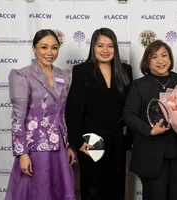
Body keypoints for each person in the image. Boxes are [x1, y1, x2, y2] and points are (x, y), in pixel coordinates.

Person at [123, 40, 177, 200]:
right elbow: (129, 115)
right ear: (147, 62)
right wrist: (150, 130)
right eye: (154, 57)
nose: (160, 60)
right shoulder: (139, 85)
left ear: (170, 59)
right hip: (151, 154)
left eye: (164, 55)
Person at [5, 29, 76, 200]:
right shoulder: (22, 75)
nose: (49, 53)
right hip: (34, 149)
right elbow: (18, 119)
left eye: (54, 48)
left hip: (59, 147)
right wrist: (22, 154)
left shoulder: (65, 76)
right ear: (34, 48)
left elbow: (65, 113)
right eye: (44, 47)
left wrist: (68, 144)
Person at [65, 27, 133, 200]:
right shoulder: (81, 70)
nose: (105, 50)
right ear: (93, 48)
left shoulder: (125, 70)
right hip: (91, 141)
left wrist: (128, 140)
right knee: (93, 188)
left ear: (115, 49)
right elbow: (74, 108)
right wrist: (77, 141)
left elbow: (131, 108)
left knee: (116, 187)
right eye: (100, 45)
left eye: (110, 46)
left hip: (118, 141)